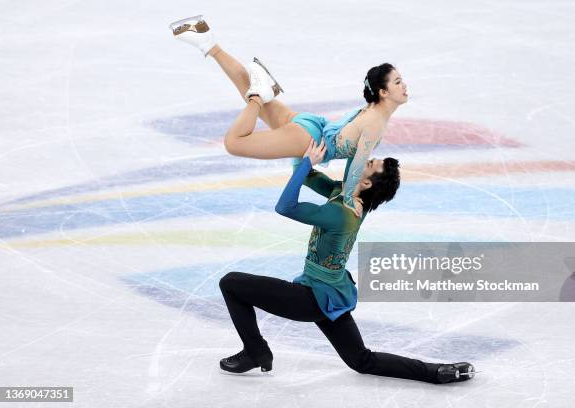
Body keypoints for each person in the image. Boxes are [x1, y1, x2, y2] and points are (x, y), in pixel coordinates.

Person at [217, 138, 476, 384]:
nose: (363, 160)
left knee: (231, 283)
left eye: (369, 164)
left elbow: (285, 207)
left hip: (310, 298)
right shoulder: (346, 195)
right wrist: (303, 148)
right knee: (362, 360)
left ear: (365, 184)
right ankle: (437, 372)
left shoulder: (341, 213)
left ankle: (255, 351)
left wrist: (308, 161)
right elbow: (304, 174)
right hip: (333, 293)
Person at [169, 15, 409, 217]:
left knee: (246, 86)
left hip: (311, 124)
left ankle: (208, 42)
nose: (404, 86)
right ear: (383, 92)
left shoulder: (373, 112)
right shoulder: (377, 122)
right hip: (307, 139)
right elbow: (357, 162)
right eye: (398, 82)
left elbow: (355, 161)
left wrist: (347, 190)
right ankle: (258, 93)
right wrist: (348, 200)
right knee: (234, 142)